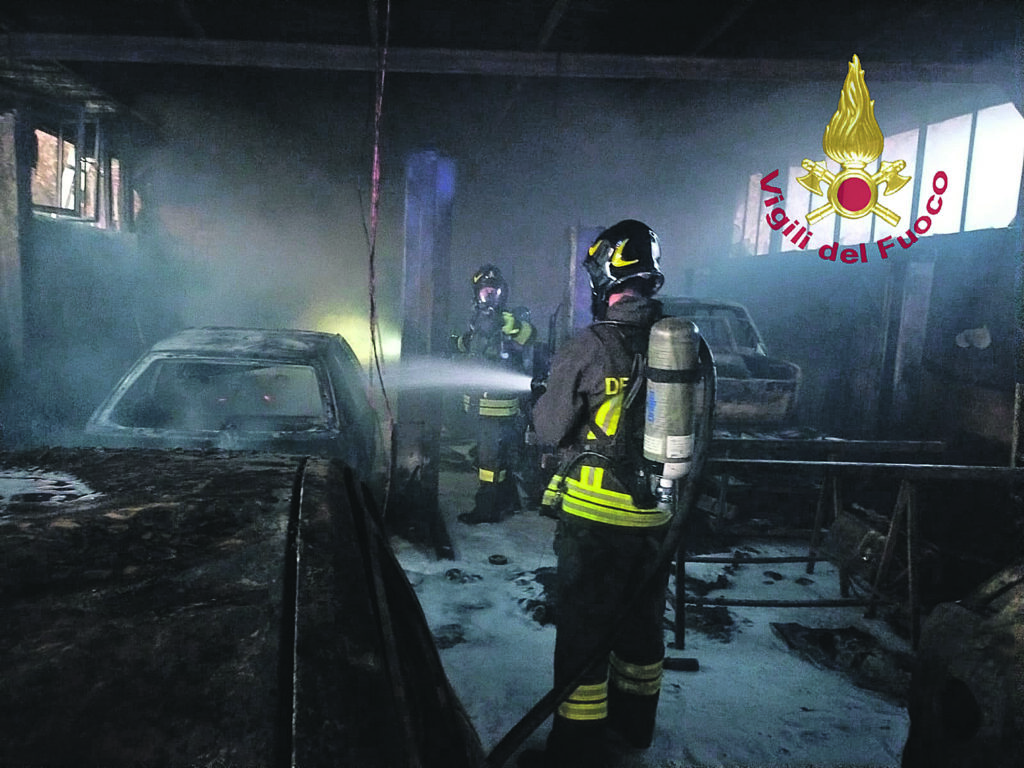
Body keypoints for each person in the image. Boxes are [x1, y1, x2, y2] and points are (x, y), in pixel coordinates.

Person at [527, 220, 670, 767]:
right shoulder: (678, 346)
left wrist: (546, 396)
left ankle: (577, 746)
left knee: (585, 634)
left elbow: (549, 427)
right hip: (657, 519)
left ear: (605, 276)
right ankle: (635, 730)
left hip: (595, 520)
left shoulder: (588, 345)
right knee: (641, 630)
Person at [453, 263, 537, 525]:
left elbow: (528, 336)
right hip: (480, 402)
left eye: (494, 291)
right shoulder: (474, 320)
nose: (489, 296)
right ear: (476, 293)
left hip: (498, 406)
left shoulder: (510, 319)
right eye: (485, 291)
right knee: (496, 459)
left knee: (489, 463)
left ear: (503, 293)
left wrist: (511, 325)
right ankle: (507, 501)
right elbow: (465, 345)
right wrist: (461, 340)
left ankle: (486, 509)